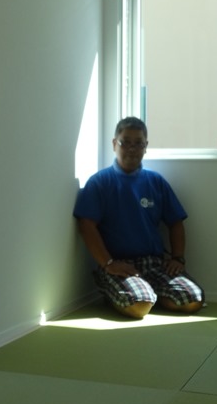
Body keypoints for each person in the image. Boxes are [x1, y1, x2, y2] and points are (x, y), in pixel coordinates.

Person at [73, 117, 205, 319]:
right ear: (114, 144)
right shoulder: (100, 182)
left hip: (155, 263)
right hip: (119, 264)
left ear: (146, 146)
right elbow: (86, 226)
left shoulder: (156, 181)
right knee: (139, 306)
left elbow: (176, 222)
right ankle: (127, 293)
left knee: (193, 300)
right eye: (125, 142)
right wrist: (108, 263)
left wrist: (178, 257)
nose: (132, 149)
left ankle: (148, 292)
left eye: (138, 143)